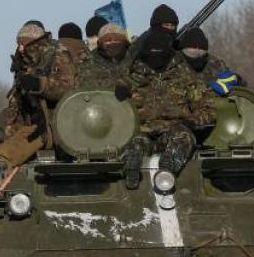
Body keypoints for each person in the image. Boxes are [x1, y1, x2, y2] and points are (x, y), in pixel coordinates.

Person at [0, 23, 77, 193]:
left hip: (57, 124)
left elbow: (68, 88)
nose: (19, 49)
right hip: (33, 124)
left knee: (3, 156)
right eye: (18, 44)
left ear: (35, 43)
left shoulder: (58, 55)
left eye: (23, 44)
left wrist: (39, 83)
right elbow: (18, 103)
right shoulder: (28, 62)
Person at [122, 28, 215, 188]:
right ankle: (131, 171)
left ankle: (167, 170)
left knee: (184, 138)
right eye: (152, 52)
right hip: (141, 132)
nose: (155, 56)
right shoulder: (133, 76)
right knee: (134, 145)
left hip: (174, 131)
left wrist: (192, 122)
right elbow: (115, 111)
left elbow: (207, 109)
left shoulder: (185, 76)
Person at [177, 27, 244, 95]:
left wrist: (237, 80)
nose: (197, 52)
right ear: (184, 48)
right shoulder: (174, 65)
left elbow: (242, 85)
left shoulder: (214, 63)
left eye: (201, 48)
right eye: (193, 48)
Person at [77, 23, 130, 89]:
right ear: (100, 44)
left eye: (116, 40)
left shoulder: (134, 58)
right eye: (108, 40)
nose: (112, 43)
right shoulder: (89, 64)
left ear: (124, 42)